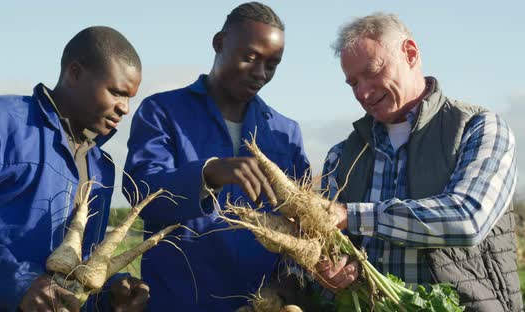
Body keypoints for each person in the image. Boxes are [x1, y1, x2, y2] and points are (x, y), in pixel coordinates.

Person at [314, 12, 522, 311]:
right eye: (353, 83)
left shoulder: (478, 128)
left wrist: (352, 216)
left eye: (372, 72)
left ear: (410, 54)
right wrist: (325, 270)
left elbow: (467, 220)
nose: (363, 92)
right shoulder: (342, 154)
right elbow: (321, 243)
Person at [0, 26, 149, 311]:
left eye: (129, 98)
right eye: (116, 92)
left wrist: (112, 292)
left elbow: (77, 270)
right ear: (74, 73)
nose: (124, 108)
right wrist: (16, 283)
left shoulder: (102, 167)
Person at [123, 2, 309, 311]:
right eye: (249, 57)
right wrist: (208, 174)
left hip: (259, 305)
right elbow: (141, 193)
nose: (260, 73)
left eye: (272, 64)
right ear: (219, 43)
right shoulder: (162, 112)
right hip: (178, 301)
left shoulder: (285, 132)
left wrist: (289, 283)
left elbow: (299, 226)